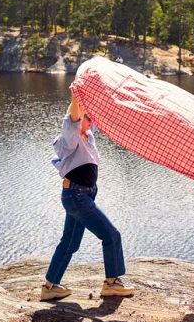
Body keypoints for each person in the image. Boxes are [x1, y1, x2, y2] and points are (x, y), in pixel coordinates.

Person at [41, 89, 135, 301]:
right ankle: (112, 283)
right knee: (111, 235)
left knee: (70, 243)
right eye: (87, 117)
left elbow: (100, 115)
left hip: (83, 196)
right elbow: (74, 113)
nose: (91, 120)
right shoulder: (71, 137)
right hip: (77, 196)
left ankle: (49, 287)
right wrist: (78, 92)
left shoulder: (88, 135)